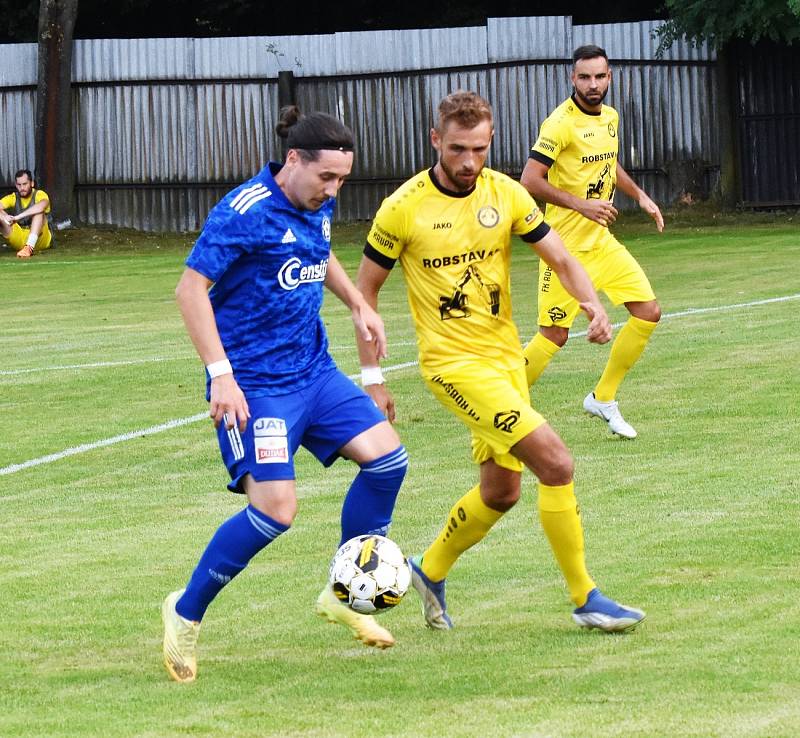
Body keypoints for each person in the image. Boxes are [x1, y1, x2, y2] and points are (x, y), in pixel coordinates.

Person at [355, 90, 645, 636]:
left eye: (480, 149)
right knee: (556, 462)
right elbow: (364, 294)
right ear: (436, 140)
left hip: (506, 361)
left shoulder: (504, 193)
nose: (469, 162)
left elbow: (560, 254)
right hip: (452, 366)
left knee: (500, 492)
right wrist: (373, 379)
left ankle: (430, 568)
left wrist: (590, 302)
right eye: (459, 148)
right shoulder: (403, 206)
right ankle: (586, 598)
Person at [161, 106, 409, 683]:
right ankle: (185, 612)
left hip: (315, 372)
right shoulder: (243, 211)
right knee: (275, 513)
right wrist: (220, 374)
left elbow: (319, 256)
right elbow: (189, 290)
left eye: (342, 180)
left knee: (387, 461)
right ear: (293, 160)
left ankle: (345, 592)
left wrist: (358, 304)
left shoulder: (317, 202)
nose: (334, 189)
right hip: (255, 388)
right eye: (327, 177)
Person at [520, 45, 663, 439]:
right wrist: (581, 206)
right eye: (585, 77)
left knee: (648, 311)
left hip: (600, 242)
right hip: (561, 249)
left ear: (610, 77)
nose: (593, 84)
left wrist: (641, 197)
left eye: (600, 76)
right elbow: (530, 181)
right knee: (555, 335)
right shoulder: (559, 124)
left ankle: (603, 397)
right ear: (573, 79)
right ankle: (504, 405)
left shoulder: (611, 118)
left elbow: (608, 163)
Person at [0, 169, 53, 259]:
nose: (22, 188)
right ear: (16, 185)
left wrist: (18, 217)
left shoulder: (39, 194)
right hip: (19, 239)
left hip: (40, 240)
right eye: (19, 185)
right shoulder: (13, 197)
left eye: (25, 184)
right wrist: (5, 216)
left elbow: (41, 206)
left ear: (31, 184)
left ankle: (29, 247)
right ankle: (25, 248)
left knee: (39, 213)